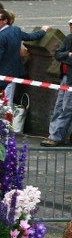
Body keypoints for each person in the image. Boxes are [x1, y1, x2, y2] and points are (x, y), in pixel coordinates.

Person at [0, 9, 48, 106]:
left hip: (1, 75)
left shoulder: (1, 37)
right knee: (7, 100)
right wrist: (43, 31)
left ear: (5, 21)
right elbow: (31, 37)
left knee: (0, 102)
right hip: (13, 73)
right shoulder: (16, 30)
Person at [41, 18, 72, 146]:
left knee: (66, 108)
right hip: (65, 77)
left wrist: (66, 57)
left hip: (70, 79)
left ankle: (56, 136)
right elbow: (58, 54)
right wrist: (68, 55)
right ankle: (53, 134)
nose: (71, 27)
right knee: (59, 106)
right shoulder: (69, 38)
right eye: (70, 25)